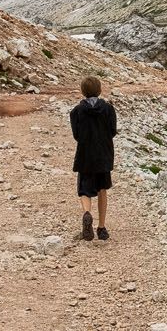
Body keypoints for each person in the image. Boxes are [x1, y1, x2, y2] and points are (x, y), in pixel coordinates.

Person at [69, 75, 117, 241]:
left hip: (85, 156)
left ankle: (87, 213)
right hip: (103, 155)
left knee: (84, 190)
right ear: (100, 90)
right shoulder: (109, 109)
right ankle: (102, 228)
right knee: (102, 190)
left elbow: (76, 135)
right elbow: (112, 131)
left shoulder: (76, 111)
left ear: (83, 92)